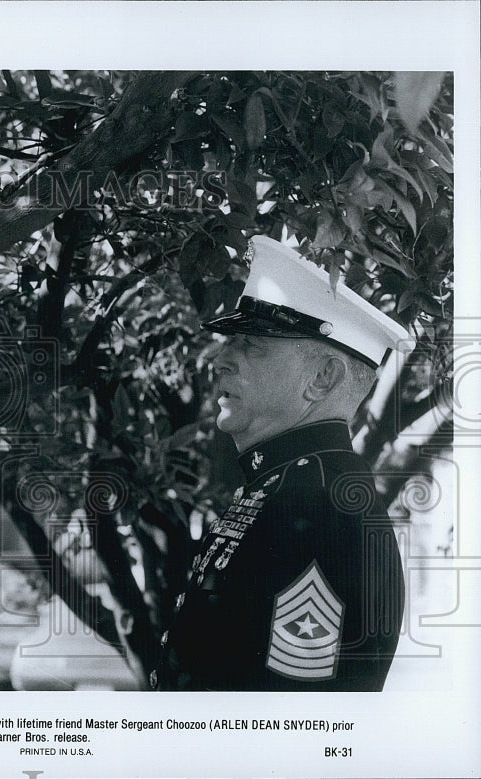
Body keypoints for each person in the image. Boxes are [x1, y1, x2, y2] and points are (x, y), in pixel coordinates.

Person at [151, 235, 408, 691]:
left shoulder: (321, 504)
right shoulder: (284, 484)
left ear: (322, 378)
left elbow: (290, 723)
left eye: (253, 345)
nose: (221, 359)